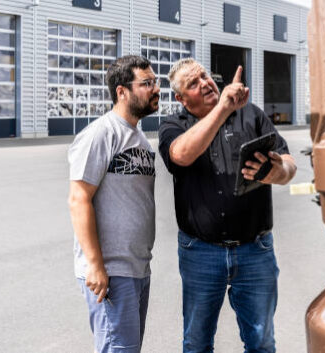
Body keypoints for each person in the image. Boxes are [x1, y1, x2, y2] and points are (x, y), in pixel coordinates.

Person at [158, 58, 297, 353]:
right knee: (197, 343)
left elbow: (288, 163)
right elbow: (180, 155)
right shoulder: (173, 125)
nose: (205, 83)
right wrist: (223, 108)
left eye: (204, 76)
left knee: (261, 342)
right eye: (193, 84)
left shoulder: (252, 116)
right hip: (201, 253)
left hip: (255, 251)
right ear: (180, 98)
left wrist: (279, 172)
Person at [67, 55, 161, 353]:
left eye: (155, 82)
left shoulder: (140, 139)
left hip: (136, 268)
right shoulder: (101, 134)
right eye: (146, 83)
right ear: (122, 91)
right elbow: (79, 198)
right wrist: (95, 265)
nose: (155, 89)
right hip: (110, 272)